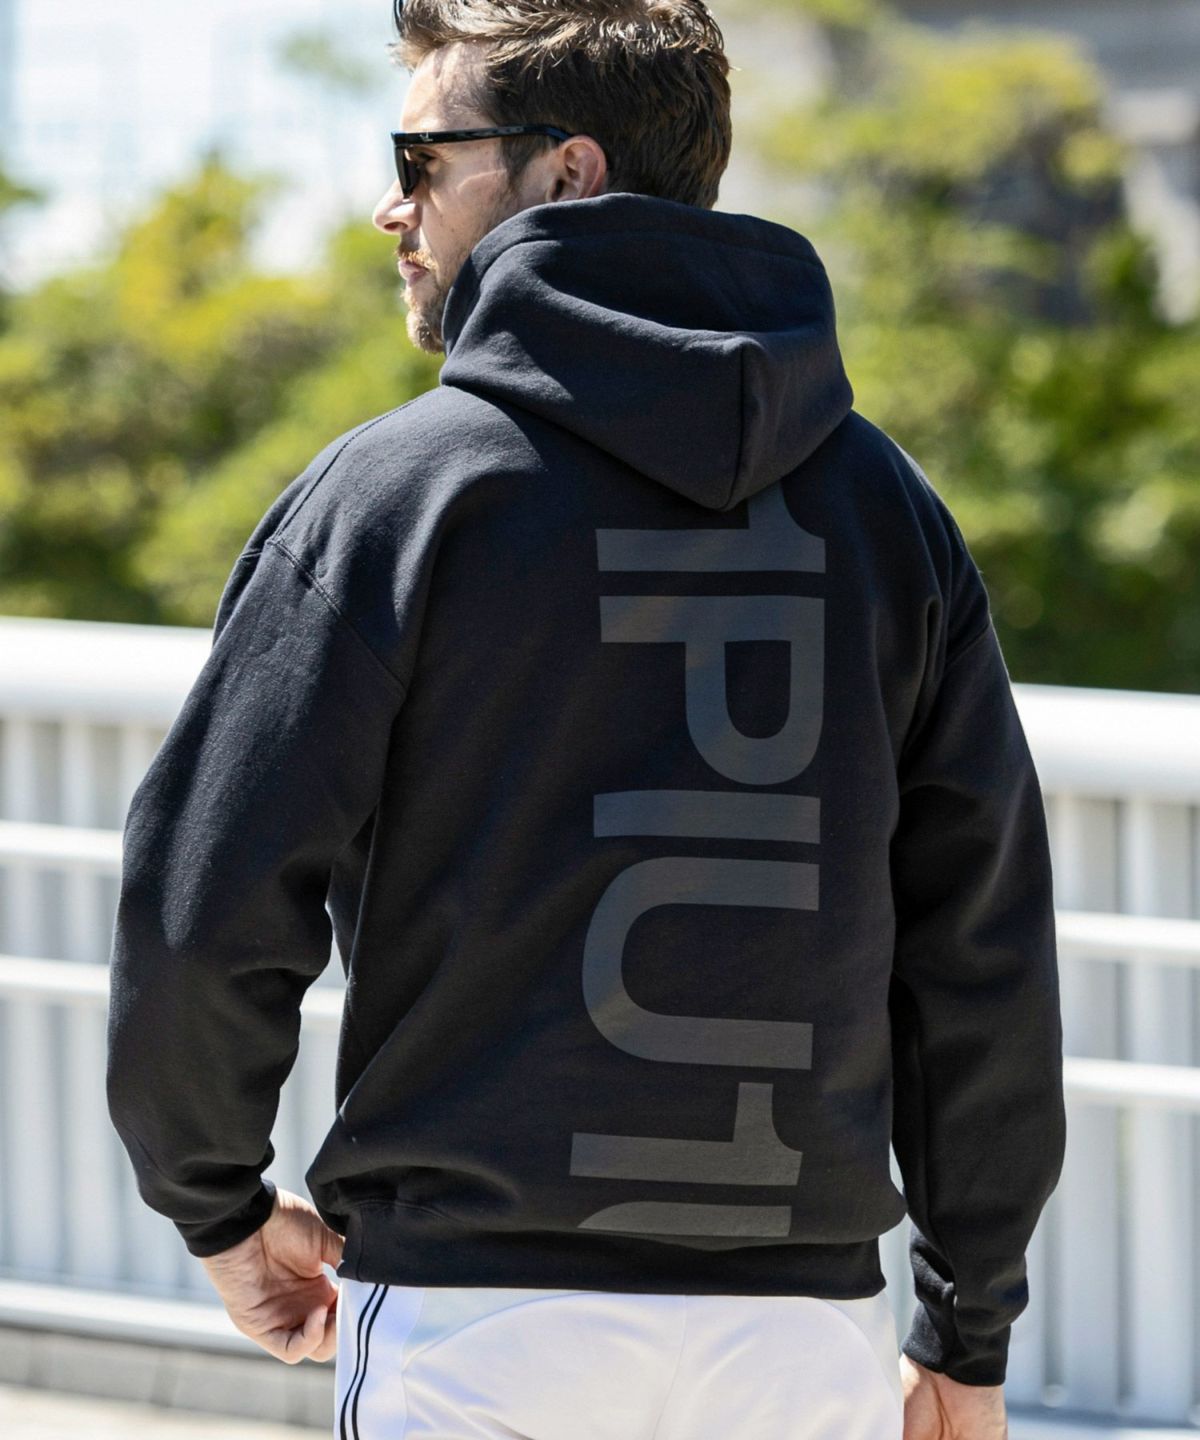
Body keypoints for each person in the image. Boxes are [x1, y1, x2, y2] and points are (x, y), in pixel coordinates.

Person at [105, 1, 1066, 1437]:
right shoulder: (887, 511)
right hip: (803, 1344)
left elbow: (207, 898)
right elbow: (980, 954)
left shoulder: (401, 495)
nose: (390, 208)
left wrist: (220, 1206)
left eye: (422, 160)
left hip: (480, 1326)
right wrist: (967, 1330)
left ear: (568, 170)